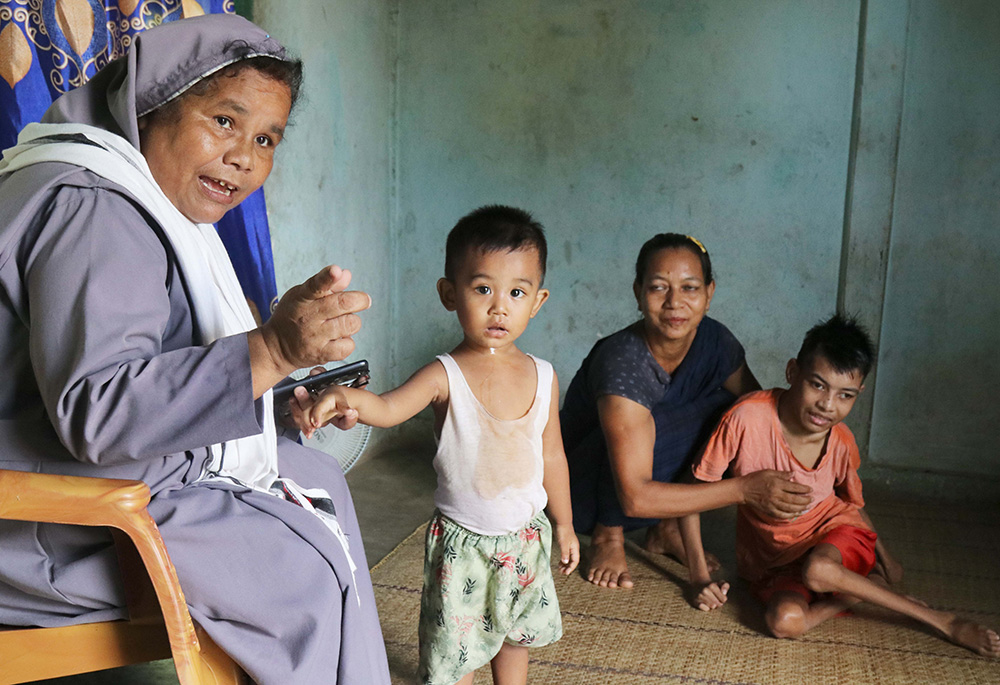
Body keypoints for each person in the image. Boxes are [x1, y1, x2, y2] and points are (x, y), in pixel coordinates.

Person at [0, 14, 391, 684]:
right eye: (224, 121)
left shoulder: (138, 197)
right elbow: (98, 411)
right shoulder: (95, 209)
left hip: (109, 477)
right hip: (48, 517)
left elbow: (149, 366)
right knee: (303, 572)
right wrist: (267, 350)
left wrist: (268, 399)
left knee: (317, 478)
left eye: (265, 137)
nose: (244, 154)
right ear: (148, 109)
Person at [298, 205, 580, 685]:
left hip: (526, 539)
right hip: (463, 544)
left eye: (517, 292)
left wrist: (567, 523)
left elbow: (551, 453)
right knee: (456, 648)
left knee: (515, 637)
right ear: (449, 294)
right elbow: (387, 408)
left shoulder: (545, 376)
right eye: (482, 288)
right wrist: (346, 397)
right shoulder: (443, 374)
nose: (499, 306)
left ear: (537, 301)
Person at [678, 314, 1000, 658]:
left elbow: (852, 504)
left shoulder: (842, 441)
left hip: (835, 537)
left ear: (858, 394)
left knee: (818, 570)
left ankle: (942, 621)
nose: (827, 405)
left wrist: (886, 557)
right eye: (818, 385)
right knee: (785, 621)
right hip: (772, 560)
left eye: (845, 395)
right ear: (792, 372)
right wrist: (698, 577)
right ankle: (854, 593)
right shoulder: (747, 417)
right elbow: (691, 496)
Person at [560, 233, 813, 588]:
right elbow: (634, 496)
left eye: (690, 288)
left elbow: (763, 416)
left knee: (740, 415)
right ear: (637, 292)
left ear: (709, 294)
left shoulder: (715, 340)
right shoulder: (623, 362)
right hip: (580, 491)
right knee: (638, 425)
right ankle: (608, 536)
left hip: (648, 480)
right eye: (659, 288)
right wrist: (744, 489)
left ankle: (667, 527)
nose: (674, 303)